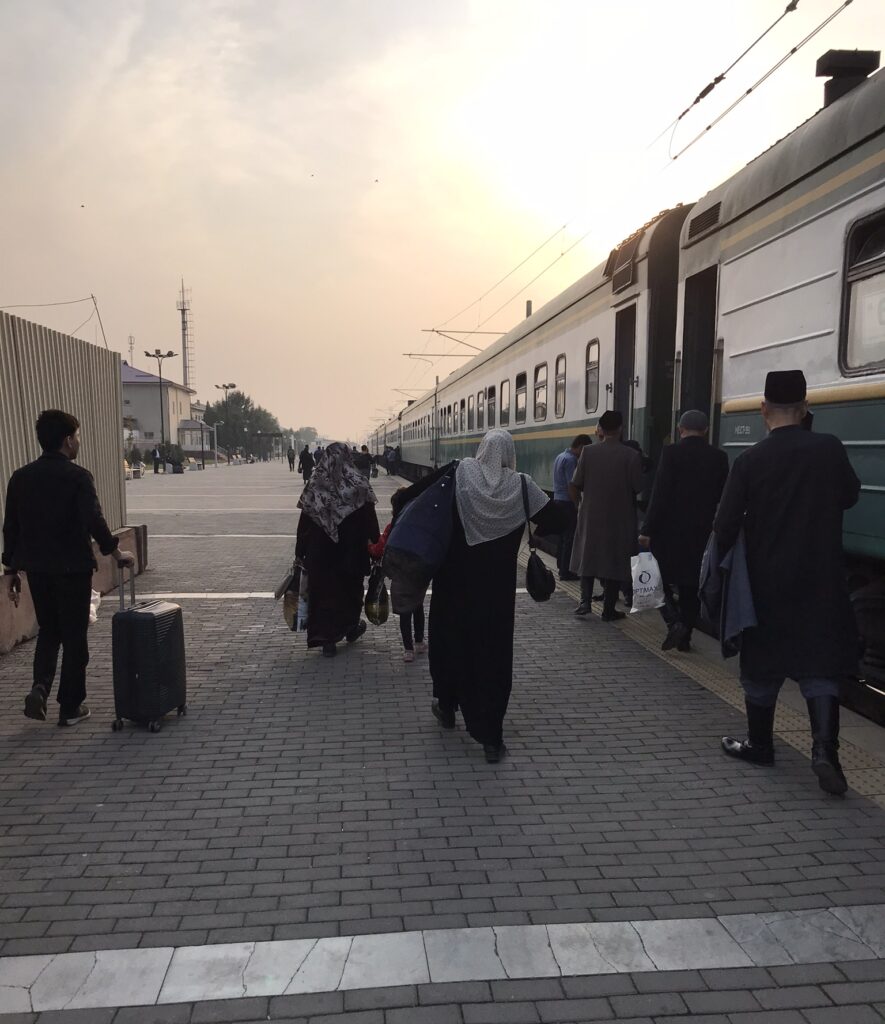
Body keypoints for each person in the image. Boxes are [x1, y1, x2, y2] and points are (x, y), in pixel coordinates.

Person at [715, 370, 861, 796]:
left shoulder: (750, 460)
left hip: (765, 583)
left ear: (763, 410)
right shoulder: (828, 449)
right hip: (821, 580)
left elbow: (724, 525)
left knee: (760, 670)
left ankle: (760, 745)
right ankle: (825, 752)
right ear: (805, 409)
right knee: (820, 668)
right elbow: (849, 496)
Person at [429, 429, 559, 763]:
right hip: (495, 596)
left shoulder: (458, 474)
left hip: (453, 587)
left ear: (482, 449)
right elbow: (556, 518)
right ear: (508, 453)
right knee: (492, 659)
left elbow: (416, 503)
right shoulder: (522, 485)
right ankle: (490, 738)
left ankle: (446, 706)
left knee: (450, 646)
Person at [2, 410, 136, 726]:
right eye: (76, 436)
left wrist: (11, 571)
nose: (78, 442)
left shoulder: (21, 477)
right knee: (75, 638)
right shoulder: (78, 477)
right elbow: (94, 520)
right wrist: (117, 554)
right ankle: (70, 706)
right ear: (66, 440)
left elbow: (11, 527)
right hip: (72, 569)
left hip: (37, 570)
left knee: (49, 631)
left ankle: (40, 687)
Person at [640, 410, 729, 651]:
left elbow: (660, 493)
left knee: (655, 579)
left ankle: (673, 622)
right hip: (701, 532)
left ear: (680, 430)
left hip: (668, 531)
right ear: (706, 430)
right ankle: (686, 637)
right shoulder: (719, 457)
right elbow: (724, 496)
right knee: (691, 586)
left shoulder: (671, 453)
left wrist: (647, 529)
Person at [294, 442, 380, 658]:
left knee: (323, 594)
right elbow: (370, 518)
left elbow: (304, 522)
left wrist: (299, 551)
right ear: (347, 458)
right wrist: (377, 546)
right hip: (351, 552)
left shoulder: (315, 485)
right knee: (350, 592)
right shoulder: (359, 485)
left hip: (320, 553)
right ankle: (350, 627)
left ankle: (327, 639)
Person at [569, 410, 641, 620]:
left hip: (590, 515)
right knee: (615, 561)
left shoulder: (588, 452)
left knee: (587, 557)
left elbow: (575, 483)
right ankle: (609, 609)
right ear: (620, 428)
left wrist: (579, 506)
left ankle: (584, 602)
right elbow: (637, 486)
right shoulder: (631, 455)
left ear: (601, 428)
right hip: (620, 517)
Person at [368, 487, 427, 663]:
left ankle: (408, 649)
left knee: (404, 611)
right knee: (417, 606)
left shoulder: (393, 525)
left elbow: (379, 550)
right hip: (417, 574)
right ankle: (419, 641)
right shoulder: (420, 525)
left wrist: (369, 546)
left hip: (399, 575)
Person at [552, 435, 592, 582]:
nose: (583, 454)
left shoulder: (560, 456)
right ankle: (566, 571)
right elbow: (572, 485)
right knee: (570, 538)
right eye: (584, 450)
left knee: (562, 537)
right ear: (581, 446)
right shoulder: (571, 460)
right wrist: (577, 504)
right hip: (567, 503)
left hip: (557, 500)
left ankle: (560, 567)